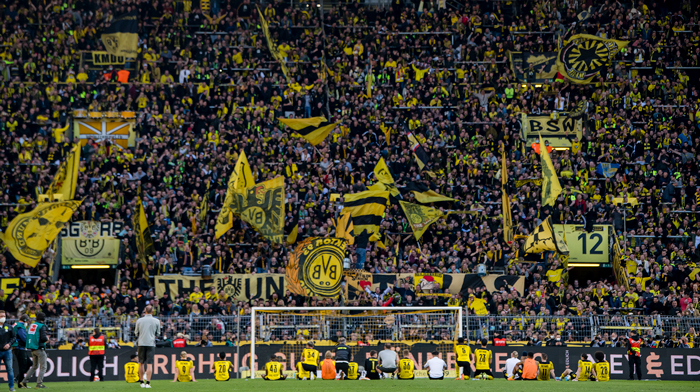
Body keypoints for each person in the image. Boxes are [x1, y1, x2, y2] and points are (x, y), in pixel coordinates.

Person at [135, 305, 162, 388]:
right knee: (149, 364)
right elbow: (158, 333)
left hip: (141, 343)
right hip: (151, 344)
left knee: (141, 363)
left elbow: (136, 333)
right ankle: (148, 383)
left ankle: (141, 382)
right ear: (152, 311)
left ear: (145, 311)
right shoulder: (156, 321)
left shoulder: (139, 320)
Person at [24, 312, 48, 389]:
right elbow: (43, 338)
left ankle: (24, 381)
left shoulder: (32, 325)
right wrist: (47, 340)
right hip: (39, 348)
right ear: (43, 318)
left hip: (32, 348)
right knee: (43, 367)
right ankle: (39, 384)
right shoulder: (41, 326)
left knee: (34, 366)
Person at [12, 315, 30, 388]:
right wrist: (29, 343)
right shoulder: (20, 326)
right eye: (27, 321)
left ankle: (18, 378)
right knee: (22, 366)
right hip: (19, 347)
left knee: (29, 363)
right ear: (25, 320)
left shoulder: (16, 324)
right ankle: (20, 383)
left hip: (17, 347)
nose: (28, 323)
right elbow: (23, 337)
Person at [0, 310, 15, 392]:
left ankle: (11, 387)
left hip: (7, 351)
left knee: (10, 369)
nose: (3, 318)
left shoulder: (9, 327)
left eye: (4, 316)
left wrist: (9, 344)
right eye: (1, 316)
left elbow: (13, 337)